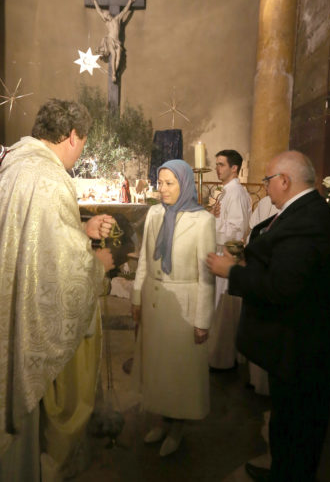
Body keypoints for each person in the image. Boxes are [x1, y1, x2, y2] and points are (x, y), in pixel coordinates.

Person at [0, 99, 115, 481]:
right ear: (71, 136)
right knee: (16, 424)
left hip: (1, 307)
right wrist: (96, 267)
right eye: (83, 141)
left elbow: (32, 241)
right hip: (17, 325)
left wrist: (81, 229)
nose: (81, 150)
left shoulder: (18, 165)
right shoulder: (47, 177)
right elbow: (56, 269)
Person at [207, 150, 330, 482]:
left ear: (284, 181)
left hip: (305, 346)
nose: (266, 186)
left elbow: (283, 287)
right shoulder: (301, 212)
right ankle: (282, 469)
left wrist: (232, 272)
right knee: (287, 420)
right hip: (295, 344)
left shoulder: (308, 221)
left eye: (269, 180)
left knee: (300, 426)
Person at [131, 159, 215, 457]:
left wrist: (203, 319)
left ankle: (178, 428)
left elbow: (206, 274)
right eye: (160, 182)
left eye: (170, 183)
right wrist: (137, 298)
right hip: (156, 301)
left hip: (183, 304)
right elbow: (143, 259)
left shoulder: (202, 220)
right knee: (158, 368)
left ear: (185, 184)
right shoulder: (155, 213)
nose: (162, 189)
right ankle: (164, 420)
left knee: (179, 371)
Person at [208, 149, 252, 370]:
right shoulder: (226, 191)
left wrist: (210, 228)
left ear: (234, 168)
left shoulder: (235, 192)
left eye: (221, 164)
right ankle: (218, 354)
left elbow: (236, 231)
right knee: (219, 308)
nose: (217, 168)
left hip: (227, 255)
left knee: (223, 308)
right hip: (220, 253)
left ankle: (222, 358)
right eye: (216, 164)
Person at [246, 196, 278, 396]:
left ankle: (268, 386)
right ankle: (256, 380)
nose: (265, 184)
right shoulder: (266, 202)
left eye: (269, 179)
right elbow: (253, 230)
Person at [93, 0, 134, 82]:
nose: (108, 16)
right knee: (114, 55)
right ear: (105, 18)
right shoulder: (107, 23)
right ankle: (114, 74)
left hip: (117, 42)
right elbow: (99, 11)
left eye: (108, 14)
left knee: (118, 57)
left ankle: (115, 73)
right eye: (106, 16)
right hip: (110, 40)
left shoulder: (117, 19)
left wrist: (130, 2)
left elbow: (124, 11)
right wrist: (95, 2)